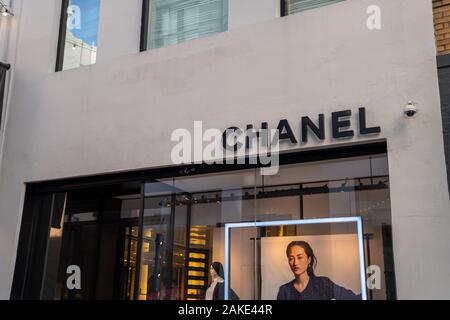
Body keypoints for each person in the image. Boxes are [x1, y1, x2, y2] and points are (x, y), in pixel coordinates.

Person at [277, 241, 361, 300]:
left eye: (300, 257)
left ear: (309, 259)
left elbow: (351, 297)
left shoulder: (322, 284)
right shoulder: (284, 290)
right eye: (291, 258)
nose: (295, 262)